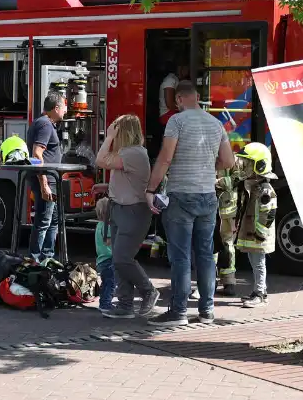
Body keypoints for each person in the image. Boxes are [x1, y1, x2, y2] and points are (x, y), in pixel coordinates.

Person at [145, 80, 235, 326]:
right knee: (205, 255)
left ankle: (179, 312)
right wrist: (207, 167)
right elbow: (228, 161)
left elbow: (165, 159)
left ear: (179, 100)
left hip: (181, 195)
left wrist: (151, 189)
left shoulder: (177, 121)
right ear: (197, 97)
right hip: (208, 196)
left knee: (181, 256)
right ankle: (207, 311)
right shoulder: (216, 124)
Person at [96, 114, 160, 319]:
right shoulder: (129, 153)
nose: (112, 132)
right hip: (122, 208)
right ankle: (125, 304)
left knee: (122, 257)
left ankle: (148, 290)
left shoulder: (133, 153)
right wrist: (107, 187)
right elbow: (130, 182)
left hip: (133, 211)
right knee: (118, 259)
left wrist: (108, 138)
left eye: (115, 129)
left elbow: (100, 161)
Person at [232, 143, 278, 308]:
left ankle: (259, 293)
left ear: (259, 165)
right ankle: (260, 291)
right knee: (254, 262)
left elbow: (268, 214)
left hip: (258, 237)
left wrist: (260, 233)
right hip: (253, 235)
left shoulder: (265, 190)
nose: (244, 167)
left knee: (259, 264)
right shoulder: (253, 186)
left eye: (248, 164)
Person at [26, 91, 67, 262]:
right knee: (44, 222)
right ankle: (34, 261)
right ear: (56, 108)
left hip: (51, 180)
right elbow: (37, 155)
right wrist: (44, 184)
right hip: (46, 181)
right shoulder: (45, 125)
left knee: (53, 221)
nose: (66, 110)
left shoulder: (45, 123)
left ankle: (47, 259)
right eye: (64, 107)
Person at [215, 166, 241, 297]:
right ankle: (216, 281)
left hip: (226, 211)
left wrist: (217, 182)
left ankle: (228, 283)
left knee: (225, 245)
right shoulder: (229, 157)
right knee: (217, 245)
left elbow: (237, 178)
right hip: (219, 209)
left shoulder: (233, 159)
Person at [93, 197, 116, 313]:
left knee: (106, 283)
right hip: (109, 259)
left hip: (101, 260)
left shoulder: (99, 225)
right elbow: (108, 241)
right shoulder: (108, 226)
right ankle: (106, 305)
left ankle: (103, 302)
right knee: (111, 283)